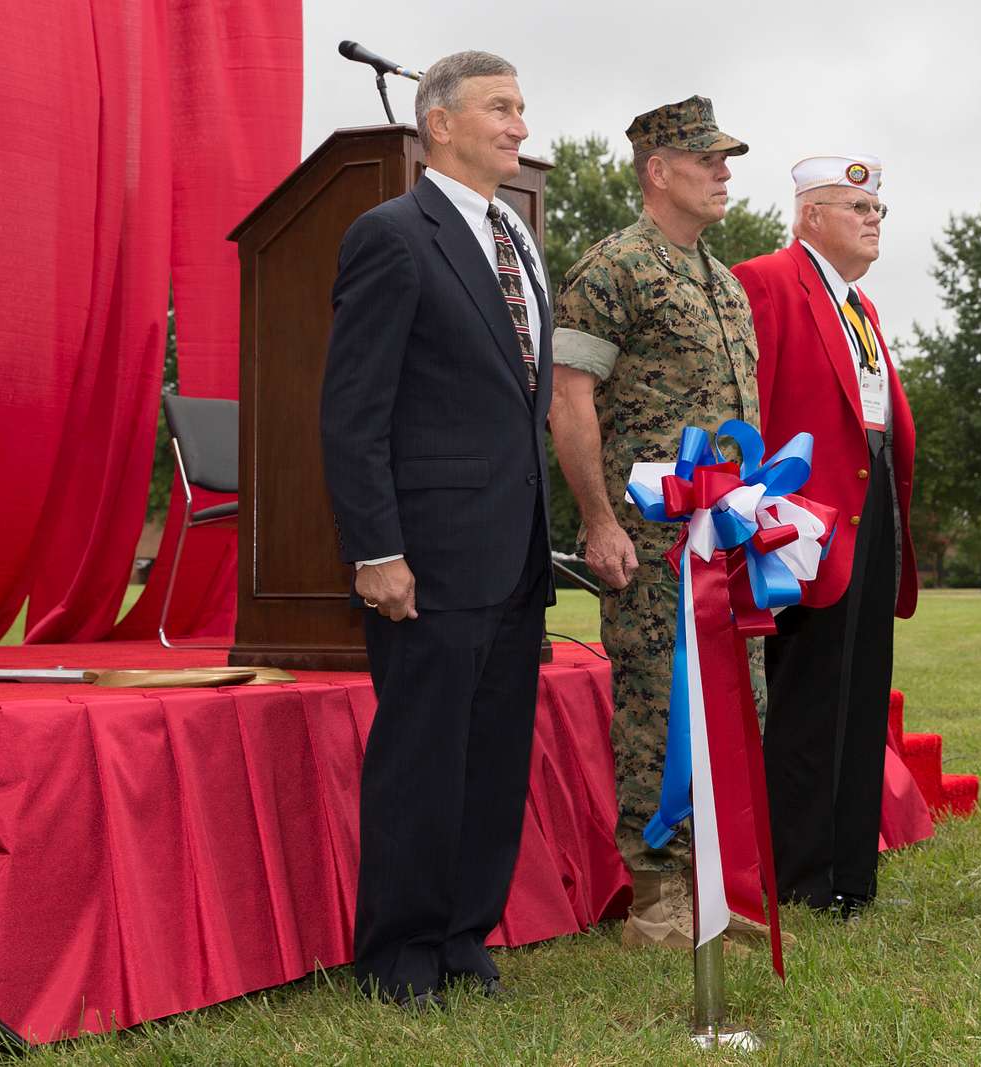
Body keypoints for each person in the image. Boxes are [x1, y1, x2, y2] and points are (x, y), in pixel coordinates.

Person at [319, 50, 553, 1008]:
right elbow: (352, 410)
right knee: (422, 756)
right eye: (500, 107)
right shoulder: (391, 234)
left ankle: (463, 932)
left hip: (517, 549)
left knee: (494, 754)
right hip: (429, 552)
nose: (520, 126)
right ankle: (399, 953)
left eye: (523, 107)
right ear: (439, 123)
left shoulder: (520, 237)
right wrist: (377, 549)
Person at [549, 96, 767, 949]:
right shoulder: (613, 270)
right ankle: (657, 896)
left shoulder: (723, 280)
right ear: (657, 171)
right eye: (707, 159)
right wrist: (598, 521)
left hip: (729, 543)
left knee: (731, 703)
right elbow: (569, 403)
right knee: (655, 707)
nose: (722, 172)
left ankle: (717, 881)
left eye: (724, 159)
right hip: (650, 543)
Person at [730, 155, 918, 920]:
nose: (873, 219)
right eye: (855, 207)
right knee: (808, 698)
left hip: (871, 511)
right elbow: (750, 403)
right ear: (808, 215)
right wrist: (759, 509)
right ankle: (799, 877)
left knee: (860, 692)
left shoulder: (861, 307)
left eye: (878, 209)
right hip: (804, 522)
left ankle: (849, 871)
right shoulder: (767, 280)